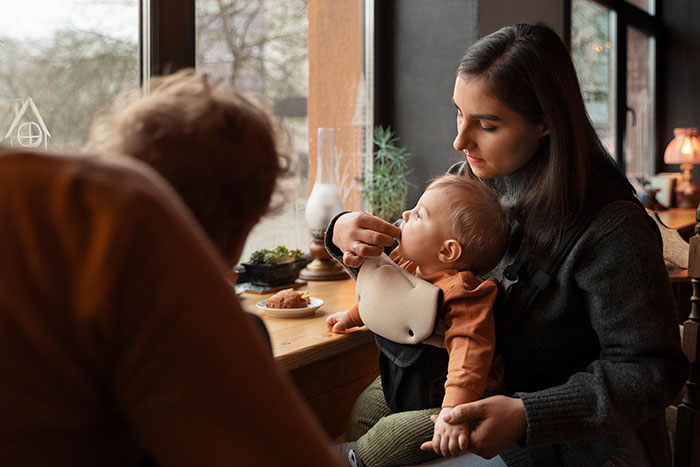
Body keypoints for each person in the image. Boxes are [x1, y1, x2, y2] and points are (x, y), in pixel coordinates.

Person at [325, 23, 688, 466]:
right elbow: (411, 264)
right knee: (366, 415)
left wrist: (527, 415)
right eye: (459, 113)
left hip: (579, 438)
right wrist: (343, 231)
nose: (460, 141)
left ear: (546, 124)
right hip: (477, 381)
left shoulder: (611, 228)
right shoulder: (471, 178)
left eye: (487, 124)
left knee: (381, 448)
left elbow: (651, 372)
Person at [326, 175, 509, 467]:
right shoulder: (409, 264)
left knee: (389, 437)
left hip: (445, 391)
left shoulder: (464, 295)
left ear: (447, 251)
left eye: (419, 214)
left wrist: (453, 412)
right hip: (404, 375)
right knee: (361, 412)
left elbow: (469, 356)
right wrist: (351, 316)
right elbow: (384, 299)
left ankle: (345, 458)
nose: (405, 215)